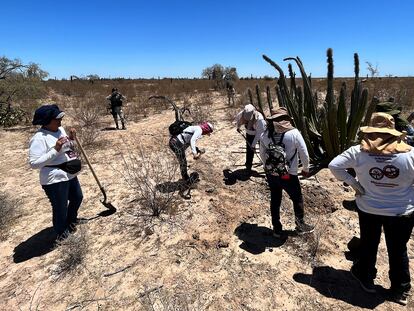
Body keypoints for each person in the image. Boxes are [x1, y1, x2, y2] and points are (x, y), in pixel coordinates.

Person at [329, 112, 414, 306]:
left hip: (369, 208)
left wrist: (355, 185)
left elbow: (334, 166)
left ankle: (366, 278)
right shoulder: (410, 153)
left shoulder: (358, 152)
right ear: (394, 132)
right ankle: (400, 290)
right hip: (402, 211)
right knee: (398, 249)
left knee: (369, 244)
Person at [29, 104, 83, 241]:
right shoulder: (39, 138)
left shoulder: (60, 130)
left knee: (77, 197)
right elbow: (34, 163)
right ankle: (62, 232)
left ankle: (71, 221)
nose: (60, 121)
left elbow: (67, 147)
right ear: (47, 121)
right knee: (60, 206)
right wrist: (55, 150)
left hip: (68, 172)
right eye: (57, 119)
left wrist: (71, 138)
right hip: (54, 178)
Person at [259, 107, 313, 239]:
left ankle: (277, 229)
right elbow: (304, 154)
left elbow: (262, 155)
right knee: (297, 198)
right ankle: (300, 226)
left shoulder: (265, 134)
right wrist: (305, 169)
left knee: (275, 200)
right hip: (289, 174)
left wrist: (270, 168)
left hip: (271, 174)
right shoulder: (294, 133)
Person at [235, 104, 266, 172]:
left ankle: (266, 165)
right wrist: (238, 127)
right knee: (249, 151)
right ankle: (248, 166)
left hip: (259, 135)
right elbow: (238, 120)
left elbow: (259, 134)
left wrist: (253, 145)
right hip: (249, 134)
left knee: (263, 150)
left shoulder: (260, 119)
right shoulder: (242, 114)